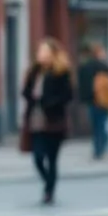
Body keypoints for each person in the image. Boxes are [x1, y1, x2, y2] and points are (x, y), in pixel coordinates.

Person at [22, 38, 75, 204]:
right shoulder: (34, 71)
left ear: (53, 54)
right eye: (39, 51)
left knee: (52, 158)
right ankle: (48, 182)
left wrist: (50, 102)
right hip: (36, 118)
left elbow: (67, 95)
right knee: (37, 157)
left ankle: (49, 191)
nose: (40, 55)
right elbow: (25, 91)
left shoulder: (61, 72)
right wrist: (30, 96)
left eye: (44, 51)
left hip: (54, 120)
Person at [77, 43, 108, 159]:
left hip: (90, 100)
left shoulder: (85, 66)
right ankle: (101, 149)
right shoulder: (103, 66)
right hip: (102, 100)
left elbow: (81, 83)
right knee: (102, 125)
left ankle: (97, 149)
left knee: (95, 125)